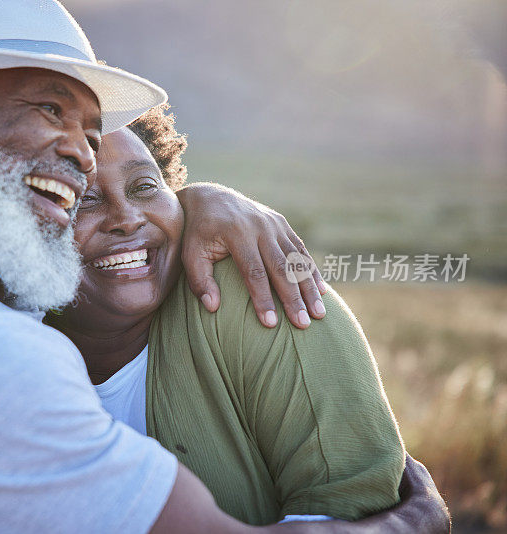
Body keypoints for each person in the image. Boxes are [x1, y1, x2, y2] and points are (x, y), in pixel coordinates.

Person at [0, 1, 360, 532]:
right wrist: (412, 521)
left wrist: (202, 201)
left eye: (90, 133)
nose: (84, 155)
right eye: (50, 108)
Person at [47, 106, 450, 529]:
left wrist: (203, 196)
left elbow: (351, 494)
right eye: (85, 198)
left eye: (146, 186)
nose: (127, 219)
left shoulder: (249, 294)